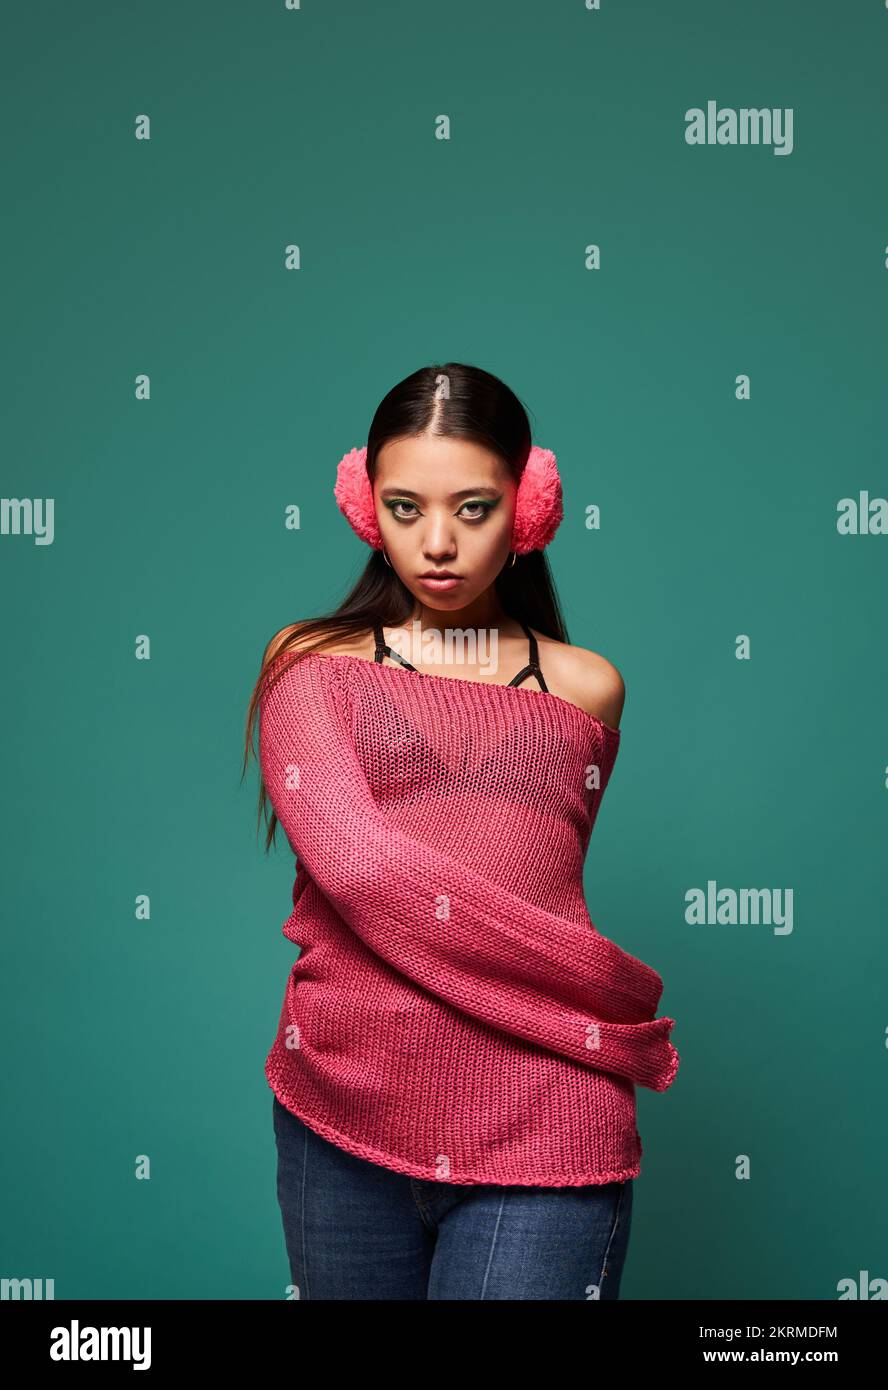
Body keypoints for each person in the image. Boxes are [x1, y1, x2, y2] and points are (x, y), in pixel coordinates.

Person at [242, 362, 679, 1300]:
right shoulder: (309, 664)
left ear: (530, 509)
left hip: (549, 1112)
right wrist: (608, 990)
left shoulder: (586, 687)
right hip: (342, 1107)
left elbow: (518, 885)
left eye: (473, 509)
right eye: (405, 508)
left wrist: (588, 1023)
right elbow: (360, 872)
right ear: (367, 509)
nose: (436, 543)